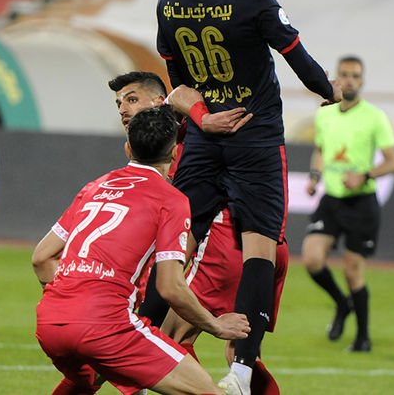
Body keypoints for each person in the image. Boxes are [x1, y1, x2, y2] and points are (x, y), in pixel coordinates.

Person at [155, 0, 341, 395]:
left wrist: (203, 117)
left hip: (202, 139)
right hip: (254, 140)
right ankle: (239, 374)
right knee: (260, 249)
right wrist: (329, 90)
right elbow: (299, 59)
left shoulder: (169, 2)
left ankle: (137, 343)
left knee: (174, 245)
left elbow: (178, 83)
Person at [33, 106, 250, 395]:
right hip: (105, 324)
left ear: (127, 148)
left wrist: (71, 302)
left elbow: (42, 258)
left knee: (87, 382)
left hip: (51, 323)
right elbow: (170, 286)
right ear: (174, 153)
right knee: (208, 392)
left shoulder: (94, 188)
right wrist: (216, 326)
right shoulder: (171, 200)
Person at [109, 71, 284, 395]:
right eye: (119, 103)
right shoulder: (150, 146)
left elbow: (184, 97)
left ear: (160, 101)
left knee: (166, 338)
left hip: (224, 236)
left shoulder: (185, 125)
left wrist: (198, 116)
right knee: (239, 350)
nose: (123, 109)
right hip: (253, 240)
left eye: (132, 99)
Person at [301, 55, 394, 353]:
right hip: (332, 199)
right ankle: (342, 303)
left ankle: (362, 339)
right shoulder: (325, 114)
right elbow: (320, 150)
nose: (349, 80)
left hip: (361, 202)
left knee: (352, 270)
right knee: (312, 258)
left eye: (355, 75)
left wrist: (364, 175)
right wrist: (315, 176)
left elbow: (393, 162)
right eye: (344, 74)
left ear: (362, 80)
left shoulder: (375, 117)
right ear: (337, 77)